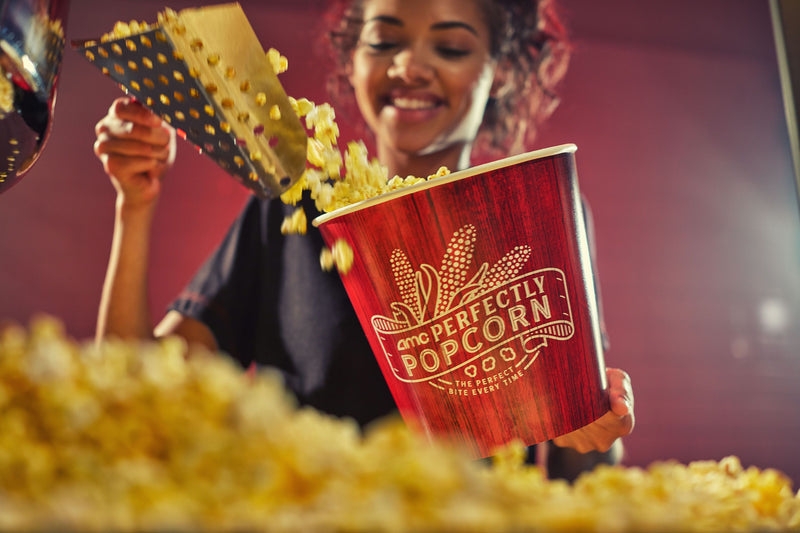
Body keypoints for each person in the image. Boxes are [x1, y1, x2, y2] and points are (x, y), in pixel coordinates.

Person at [93, 0, 634, 481]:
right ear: (352, 60)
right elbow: (134, 395)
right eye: (384, 41)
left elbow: (583, 473)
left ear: (501, 71)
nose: (408, 66)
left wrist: (595, 425)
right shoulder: (294, 211)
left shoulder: (533, 211)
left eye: (449, 46)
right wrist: (133, 206)